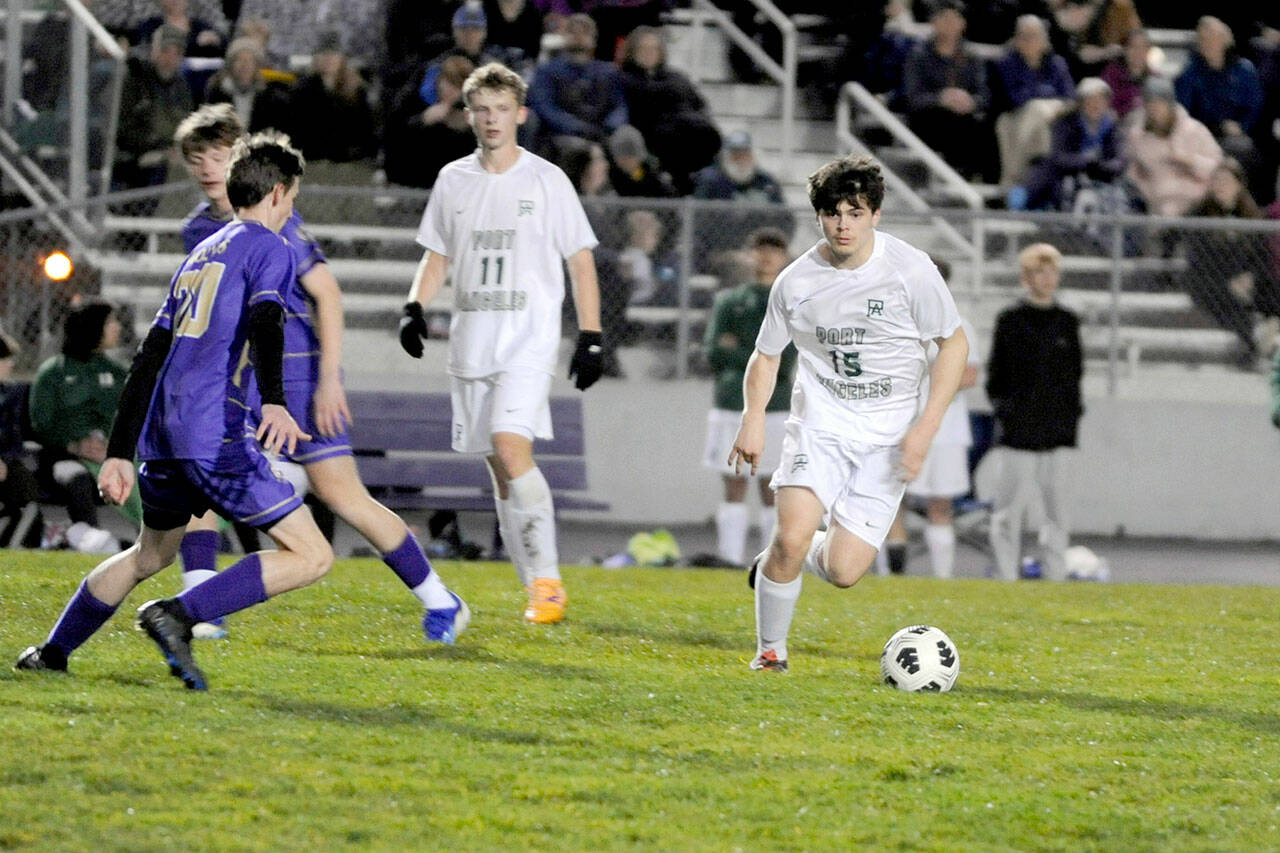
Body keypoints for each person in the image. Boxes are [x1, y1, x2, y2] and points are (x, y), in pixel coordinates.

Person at [14, 134, 466, 687]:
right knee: (312, 555)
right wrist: (275, 401)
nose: (292, 209)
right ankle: (177, 615)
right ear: (277, 193)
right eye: (293, 197)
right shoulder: (269, 245)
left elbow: (147, 358)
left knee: (147, 555)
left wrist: (120, 452)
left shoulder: (199, 256)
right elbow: (268, 321)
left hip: (162, 435)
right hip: (214, 434)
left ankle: (52, 652)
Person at [173, 104, 468, 642]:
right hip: (241, 386)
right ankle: (201, 608)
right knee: (201, 485)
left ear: (240, 157)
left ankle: (441, 600)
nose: (209, 168)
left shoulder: (282, 223)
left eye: (218, 155)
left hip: (300, 383)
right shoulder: (197, 229)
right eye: (198, 160)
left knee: (345, 498)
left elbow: (327, 296)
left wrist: (330, 380)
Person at [728, 155, 968, 672]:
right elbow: (766, 354)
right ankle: (771, 654)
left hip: (888, 437)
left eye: (855, 213)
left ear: (876, 215)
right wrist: (752, 416)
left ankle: (777, 561)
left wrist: (925, 429)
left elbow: (954, 344)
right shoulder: (796, 281)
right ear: (818, 216)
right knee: (790, 536)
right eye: (833, 213)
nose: (843, 224)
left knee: (843, 570)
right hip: (821, 424)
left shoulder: (911, 271)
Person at [398, 62, 605, 625]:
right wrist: (416, 305)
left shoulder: (546, 180)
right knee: (499, 467)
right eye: (481, 111)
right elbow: (437, 254)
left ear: (520, 115)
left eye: (502, 110)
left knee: (512, 450)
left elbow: (580, 260)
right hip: (472, 345)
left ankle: (548, 584)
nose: (492, 120)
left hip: (526, 342)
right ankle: (531, 582)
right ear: (469, 116)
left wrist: (590, 334)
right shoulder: (453, 180)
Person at [985, 243, 1083, 582]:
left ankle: (1056, 576)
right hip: (1018, 434)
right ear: (1027, 277)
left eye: (1052, 271)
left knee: (1057, 513)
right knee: (1008, 512)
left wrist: (1069, 421)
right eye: (1040, 272)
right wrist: (1009, 415)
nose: (1047, 279)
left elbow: (1074, 375)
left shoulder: (1067, 322)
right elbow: (997, 377)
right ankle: (1004, 575)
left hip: (1057, 434)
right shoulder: (1010, 321)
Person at [702, 228, 796, 568]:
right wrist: (759, 357)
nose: (766, 256)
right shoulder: (729, 300)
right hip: (730, 402)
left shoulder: (790, 302)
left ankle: (770, 560)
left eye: (774, 249)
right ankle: (729, 558)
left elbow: (784, 362)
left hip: (776, 406)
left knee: (772, 488)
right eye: (759, 249)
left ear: (785, 257)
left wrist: (741, 352)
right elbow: (713, 353)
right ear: (748, 254)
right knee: (734, 484)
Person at [889, 258, 981, 579]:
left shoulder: (959, 325)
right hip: (898, 424)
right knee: (890, 500)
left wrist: (929, 373)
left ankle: (943, 579)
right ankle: (889, 576)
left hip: (946, 429)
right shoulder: (895, 322)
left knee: (940, 505)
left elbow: (969, 376)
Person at [30, 301, 138, 552]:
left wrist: (115, 448)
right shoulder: (53, 373)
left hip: (111, 456)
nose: (117, 328)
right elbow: (40, 426)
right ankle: (90, 542)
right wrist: (75, 446)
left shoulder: (118, 373)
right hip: (64, 458)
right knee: (76, 477)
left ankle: (151, 544)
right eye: (111, 322)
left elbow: (134, 417)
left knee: (148, 474)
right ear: (93, 327)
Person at [1182, 157, 1278, 368]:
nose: (1220, 186)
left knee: (1272, 288)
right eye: (1216, 181)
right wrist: (1230, 279)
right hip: (1209, 280)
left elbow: (1260, 255)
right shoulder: (1200, 215)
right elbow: (1200, 257)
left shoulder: (1252, 216)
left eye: (1226, 181)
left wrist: (1249, 276)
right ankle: (1253, 348)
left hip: (1244, 279)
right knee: (1230, 301)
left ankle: (1269, 332)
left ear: (1238, 185)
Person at [618, 26, 721, 194]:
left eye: (654, 48)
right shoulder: (623, 80)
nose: (649, 53)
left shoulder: (677, 78)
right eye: (643, 48)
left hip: (691, 135)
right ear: (633, 51)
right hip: (654, 138)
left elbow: (700, 106)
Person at [901, 0, 994, 183]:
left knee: (984, 127)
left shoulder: (972, 57)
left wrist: (970, 101)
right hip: (929, 118)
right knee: (945, 122)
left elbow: (984, 96)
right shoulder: (918, 55)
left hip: (964, 118)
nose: (950, 24)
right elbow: (912, 98)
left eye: (955, 19)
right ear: (934, 22)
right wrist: (941, 98)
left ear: (963, 24)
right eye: (944, 18)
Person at [527, 13, 629, 160]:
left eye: (585, 32)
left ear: (594, 40)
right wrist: (577, 127)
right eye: (573, 32)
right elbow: (545, 108)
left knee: (628, 139)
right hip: (562, 134)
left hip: (603, 131)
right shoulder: (547, 71)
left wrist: (611, 126)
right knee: (578, 149)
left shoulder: (609, 72)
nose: (579, 37)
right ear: (563, 37)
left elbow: (620, 106)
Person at [993, 14, 1077, 189]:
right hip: (1020, 116)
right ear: (1016, 40)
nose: (1028, 41)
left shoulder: (1057, 63)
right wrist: (1045, 98)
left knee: (1038, 110)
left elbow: (1070, 98)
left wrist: (1047, 103)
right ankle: (1025, 181)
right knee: (1006, 123)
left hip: (1056, 116)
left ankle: (1011, 180)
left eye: (1033, 36)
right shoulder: (1007, 64)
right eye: (1023, 36)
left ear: (1044, 40)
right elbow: (1014, 98)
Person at [1019, 76, 1126, 211]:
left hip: (1101, 179)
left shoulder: (1113, 127)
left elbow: (1119, 161)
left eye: (1100, 100)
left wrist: (1100, 166)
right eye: (1090, 99)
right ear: (1081, 102)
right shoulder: (1065, 123)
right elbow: (1059, 157)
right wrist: (1086, 161)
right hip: (1066, 177)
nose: (1095, 105)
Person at [1124, 77, 1222, 217]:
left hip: (1194, 208)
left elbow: (1218, 168)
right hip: (1156, 207)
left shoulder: (1194, 130)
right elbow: (1132, 174)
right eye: (1150, 104)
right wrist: (1146, 189)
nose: (1155, 109)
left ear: (1170, 104)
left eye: (1160, 103)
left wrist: (1189, 160)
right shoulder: (1137, 136)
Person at [115, 25, 193, 193]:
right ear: (154, 51)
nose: (170, 58)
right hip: (139, 153)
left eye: (176, 53)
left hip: (174, 151)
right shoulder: (135, 80)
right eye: (165, 51)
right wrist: (160, 147)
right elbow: (123, 131)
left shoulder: (181, 87)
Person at [385, 55, 480, 189]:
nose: (451, 90)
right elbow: (392, 136)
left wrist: (466, 129)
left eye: (458, 87)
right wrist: (422, 120)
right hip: (412, 180)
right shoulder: (413, 99)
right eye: (448, 83)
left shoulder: (472, 111)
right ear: (440, 80)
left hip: (454, 186)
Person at [0, 333, 40, 548]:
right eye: (5, 360)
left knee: (26, 493)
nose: (10, 365)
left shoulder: (11, 392)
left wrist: (6, 459)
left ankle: (13, 546)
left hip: (8, 462)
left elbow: (12, 438)